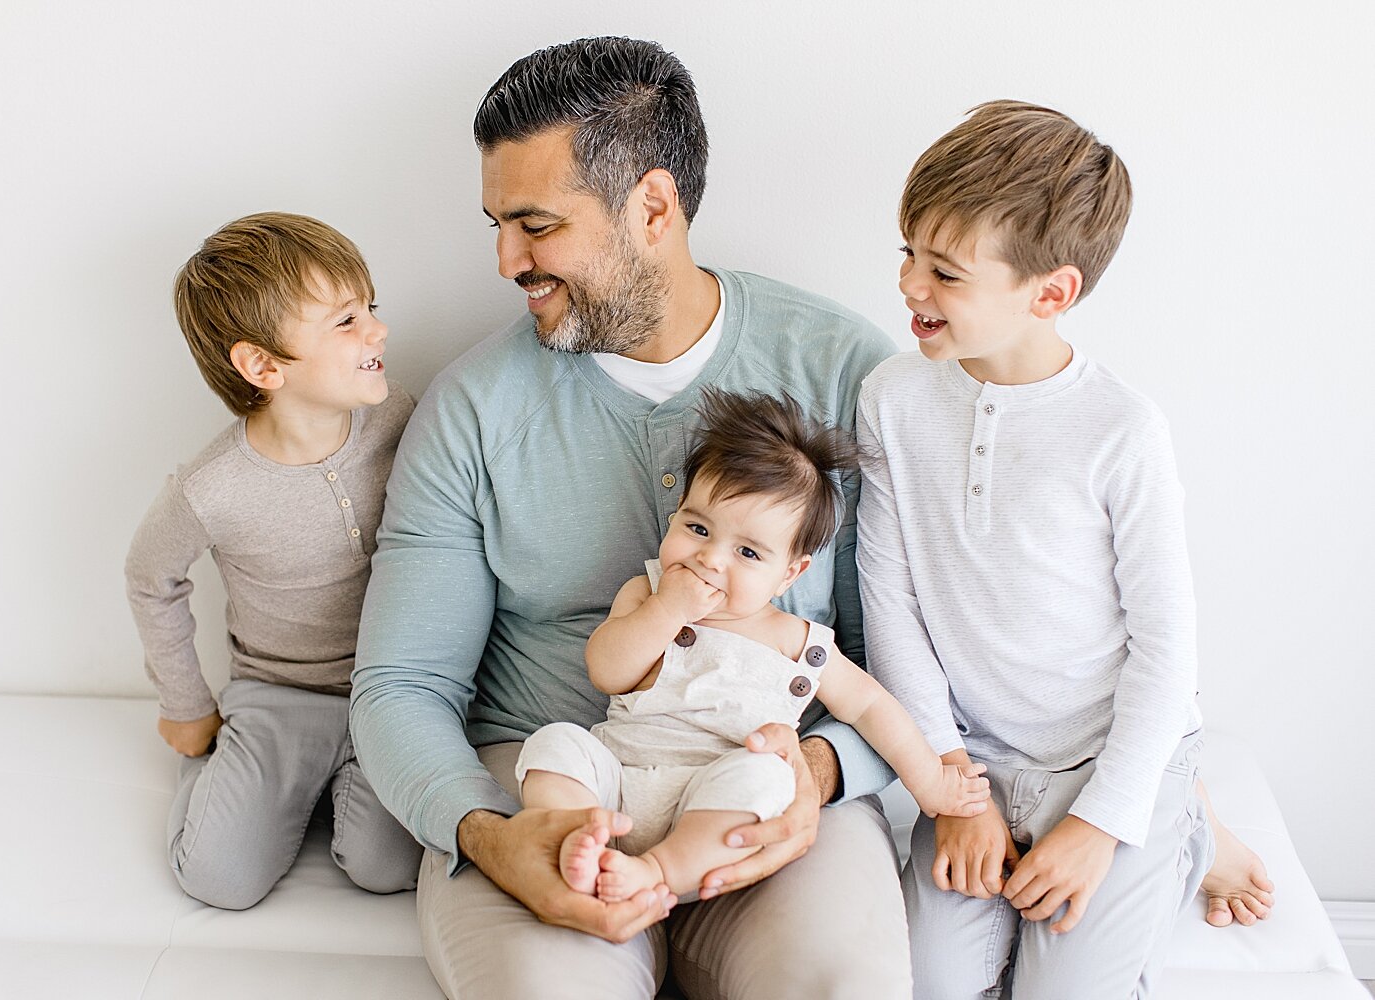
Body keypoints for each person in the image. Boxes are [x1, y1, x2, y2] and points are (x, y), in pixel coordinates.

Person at [351, 36, 909, 1000]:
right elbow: (400, 684)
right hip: (547, 788)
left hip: (758, 779)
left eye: (533, 224)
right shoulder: (472, 408)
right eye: (496, 223)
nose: (502, 260)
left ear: (653, 206)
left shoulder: (848, 374)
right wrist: (491, 836)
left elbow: (899, 666)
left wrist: (817, 773)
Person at [856, 101, 1268, 1000]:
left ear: (1051, 293)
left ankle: (1184, 825)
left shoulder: (1122, 431)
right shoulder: (892, 398)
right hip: (976, 765)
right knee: (927, 984)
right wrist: (947, 785)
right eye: (907, 256)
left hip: (1110, 757)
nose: (910, 288)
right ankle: (1162, 825)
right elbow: (890, 601)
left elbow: (1165, 648)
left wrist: (1104, 823)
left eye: (946, 273)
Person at [518, 389, 990, 903]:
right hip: (619, 780)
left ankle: (658, 872)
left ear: (790, 573)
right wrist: (667, 610)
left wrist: (930, 784)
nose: (710, 559)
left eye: (747, 551)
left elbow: (874, 706)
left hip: (715, 795)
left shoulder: (800, 645)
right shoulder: (648, 594)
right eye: (697, 528)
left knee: (767, 778)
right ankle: (574, 835)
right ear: (676, 513)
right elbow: (606, 671)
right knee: (555, 744)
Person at [125, 212, 423, 909]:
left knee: (387, 867)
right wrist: (186, 704)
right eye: (345, 321)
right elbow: (150, 578)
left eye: (370, 308)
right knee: (217, 880)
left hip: (389, 691)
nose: (377, 331)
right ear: (263, 366)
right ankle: (234, 777)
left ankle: (338, 785)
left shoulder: (401, 419)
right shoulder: (210, 487)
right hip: (275, 696)